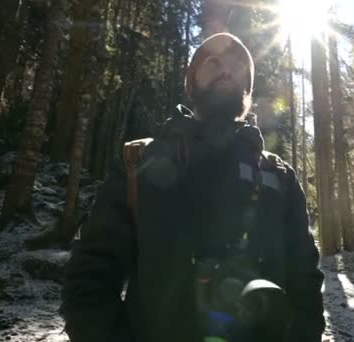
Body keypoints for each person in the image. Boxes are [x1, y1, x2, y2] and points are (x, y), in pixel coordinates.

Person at [61, 32, 325, 342]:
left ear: (248, 91)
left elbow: (305, 283)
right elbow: (91, 273)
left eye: (237, 65)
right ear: (190, 84)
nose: (226, 70)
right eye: (213, 62)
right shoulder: (139, 163)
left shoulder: (279, 177)